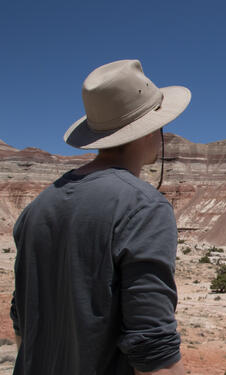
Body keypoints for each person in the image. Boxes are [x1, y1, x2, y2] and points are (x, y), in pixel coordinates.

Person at [10, 60, 191, 375]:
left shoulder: (38, 206)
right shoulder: (143, 207)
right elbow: (153, 349)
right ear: (150, 129)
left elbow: (21, 324)